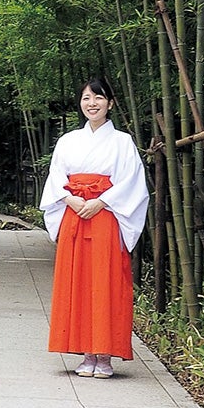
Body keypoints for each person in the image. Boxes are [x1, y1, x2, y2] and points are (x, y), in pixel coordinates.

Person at [41, 77, 149, 378]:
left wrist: (101, 202)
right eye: (87, 98)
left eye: (99, 98)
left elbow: (131, 182)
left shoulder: (122, 142)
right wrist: (70, 200)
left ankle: (105, 355)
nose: (92, 104)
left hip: (106, 216)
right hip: (74, 214)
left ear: (110, 103)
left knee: (107, 282)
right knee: (78, 282)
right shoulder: (68, 141)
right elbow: (55, 177)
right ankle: (86, 353)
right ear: (81, 103)